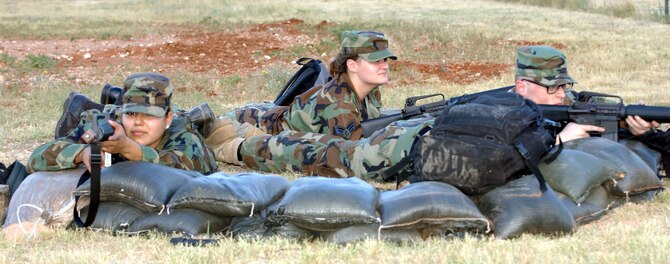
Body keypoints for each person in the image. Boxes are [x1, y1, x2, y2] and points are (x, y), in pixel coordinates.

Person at [207, 30, 432, 179]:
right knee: (210, 130)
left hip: (278, 114)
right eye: (376, 61)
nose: (384, 65)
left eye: (385, 60)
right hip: (255, 121)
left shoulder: (371, 92)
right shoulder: (338, 103)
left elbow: (370, 121)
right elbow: (354, 152)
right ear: (352, 65)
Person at [513, 46, 670, 173]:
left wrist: (629, 126)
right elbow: (505, 165)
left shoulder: (572, 101)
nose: (561, 94)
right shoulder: (501, 116)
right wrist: (559, 142)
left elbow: (607, 115)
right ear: (522, 87)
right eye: (553, 87)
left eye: (564, 86)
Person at [28, 72, 218, 175]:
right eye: (131, 113)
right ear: (121, 113)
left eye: (149, 115)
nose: (138, 122)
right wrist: (81, 153)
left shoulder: (184, 137)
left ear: (168, 118)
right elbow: (36, 159)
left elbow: (185, 168)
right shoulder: (106, 126)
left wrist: (129, 149)